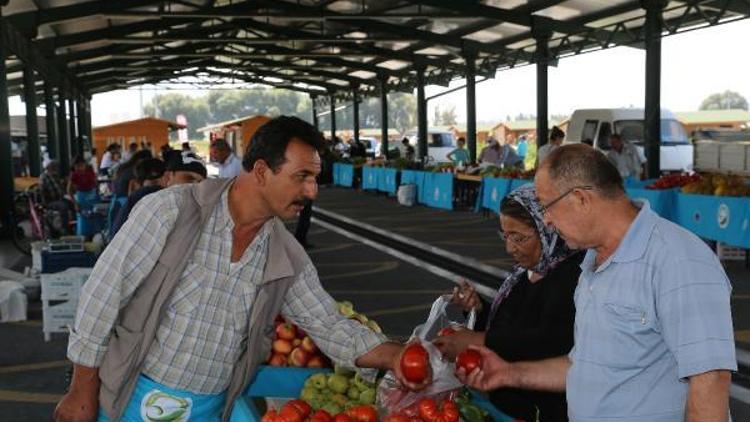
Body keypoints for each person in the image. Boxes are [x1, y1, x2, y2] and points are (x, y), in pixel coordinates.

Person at [56, 116, 430, 422]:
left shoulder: (286, 255)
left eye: (315, 178)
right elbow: (103, 295)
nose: (313, 191)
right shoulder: (172, 212)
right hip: (130, 399)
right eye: (302, 177)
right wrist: (80, 391)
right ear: (263, 171)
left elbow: (330, 324)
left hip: (210, 408)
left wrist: (395, 356)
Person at [458, 144, 736, 421]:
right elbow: (583, 367)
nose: (546, 220)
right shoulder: (592, 262)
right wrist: (509, 373)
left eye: (547, 207)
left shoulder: (677, 261)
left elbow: (709, 382)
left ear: (580, 199)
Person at [435, 184, 582, 421]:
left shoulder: (573, 277)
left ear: (548, 229)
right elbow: (511, 328)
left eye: (519, 238)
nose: (509, 247)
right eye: (505, 235)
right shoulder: (526, 272)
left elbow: (551, 342)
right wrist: (479, 310)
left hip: (543, 411)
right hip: (503, 402)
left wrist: (478, 339)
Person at [109, 153, 207, 238]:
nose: (196, 185)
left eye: (201, 182)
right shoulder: (147, 199)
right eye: (189, 179)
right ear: (168, 177)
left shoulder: (201, 208)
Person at [39, 160, 74, 235]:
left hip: (59, 198)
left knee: (73, 203)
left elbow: (61, 189)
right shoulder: (43, 177)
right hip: (50, 201)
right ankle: (65, 228)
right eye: (54, 167)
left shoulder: (55, 176)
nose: (55, 169)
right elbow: (42, 191)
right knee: (63, 207)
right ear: (49, 168)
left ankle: (73, 224)